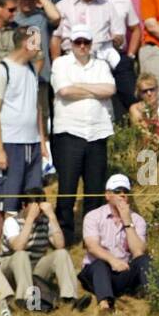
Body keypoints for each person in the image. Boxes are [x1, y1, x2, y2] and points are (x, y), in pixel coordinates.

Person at [50, 24, 114, 244]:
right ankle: (65, 236)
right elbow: (64, 91)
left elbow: (111, 89)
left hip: (97, 131)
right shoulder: (60, 63)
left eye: (86, 42)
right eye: (78, 42)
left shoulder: (101, 64)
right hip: (70, 132)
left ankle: (91, 236)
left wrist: (80, 86)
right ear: (71, 43)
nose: (83, 46)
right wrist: (95, 90)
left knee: (94, 189)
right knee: (67, 188)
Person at [0, 26, 46, 261]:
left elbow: (37, 107)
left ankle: (29, 250)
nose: (39, 47)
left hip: (31, 144)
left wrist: (42, 141)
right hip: (9, 144)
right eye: (36, 42)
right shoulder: (2, 70)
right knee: (2, 201)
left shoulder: (32, 69)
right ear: (26, 44)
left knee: (32, 198)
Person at [0, 198, 86, 316]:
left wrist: (52, 216)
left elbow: (60, 244)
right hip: (11, 270)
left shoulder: (45, 220)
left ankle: (70, 298)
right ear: (24, 206)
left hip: (34, 272)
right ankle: (26, 299)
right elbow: (18, 246)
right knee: (21, 254)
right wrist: (30, 219)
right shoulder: (12, 222)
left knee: (61, 253)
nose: (38, 211)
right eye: (34, 207)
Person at [79, 174, 150, 314]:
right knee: (100, 263)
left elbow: (138, 252)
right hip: (96, 272)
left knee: (145, 260)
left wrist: (127, 222)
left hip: (124, 271)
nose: (122, 195)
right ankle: (105, 305)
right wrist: (112, 260)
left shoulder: (137, 220)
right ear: (108, 195)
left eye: (125, 192)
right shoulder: (93, 216)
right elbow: (92, 246)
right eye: (118, 191)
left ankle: (157, 298)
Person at [129, 73, 159, 139]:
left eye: (152, 89)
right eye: (144, 91)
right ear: (139, 93)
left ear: (157, 89)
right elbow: (141, 133)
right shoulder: (135, 108)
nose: (149, 93)